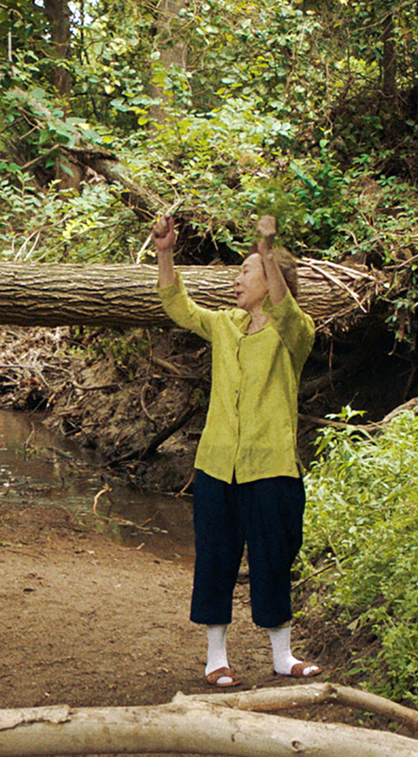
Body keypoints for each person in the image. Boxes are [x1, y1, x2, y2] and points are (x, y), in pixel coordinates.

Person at [152, 212, 322, 688]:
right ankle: (216, 657)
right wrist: (165, 252)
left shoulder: (295, 334)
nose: (236, 281)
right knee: (216, 557)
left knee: (273, 557)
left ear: (271, 281)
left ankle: (283, 657)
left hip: (270, 469)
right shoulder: (225, 325)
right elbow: (176, 304)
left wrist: (266, 251)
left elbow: (288, 313)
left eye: (245, 272)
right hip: (215, 467)